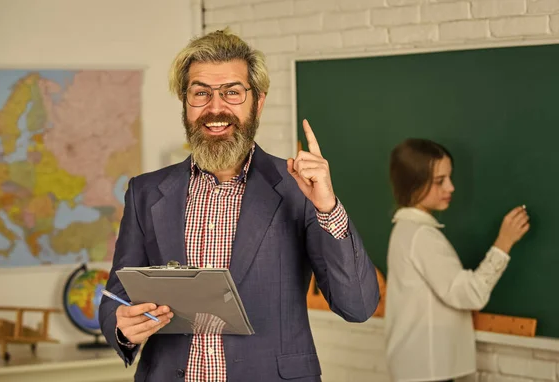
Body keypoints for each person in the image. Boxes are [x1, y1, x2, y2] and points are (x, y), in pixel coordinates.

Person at [99, 29, 380, 382]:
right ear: (185, 102)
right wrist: (122, 327)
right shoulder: (146, 191)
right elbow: (116, 297)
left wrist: (328, 208)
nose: (216, 108)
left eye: (232, 92)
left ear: (258, 102)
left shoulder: (299, 189)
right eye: (201, 93)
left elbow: (357, 305)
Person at [384, 138, 530, 382]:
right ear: (414, 184)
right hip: (427, 372)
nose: (451, 188)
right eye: (440, 181)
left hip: (417, 368)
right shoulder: (422, 236)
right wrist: (504, 243)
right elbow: (470, 294)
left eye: (449, 178)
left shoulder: (405, 230)